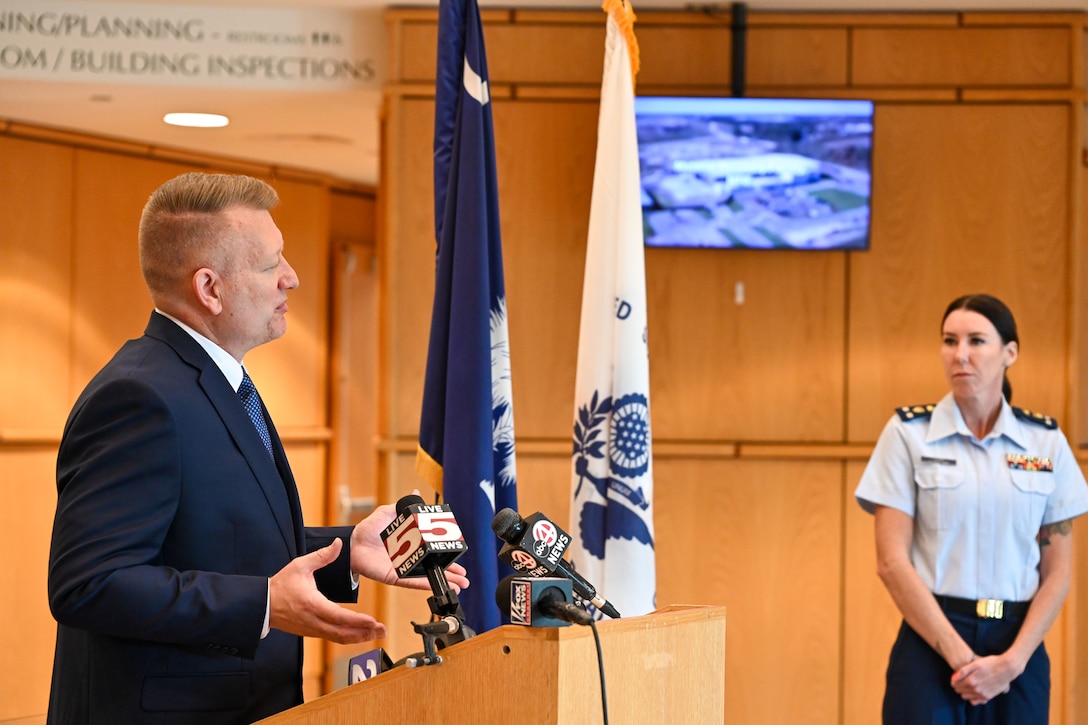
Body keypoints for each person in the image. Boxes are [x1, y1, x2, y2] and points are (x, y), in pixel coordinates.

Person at [46, 171, 468, 724]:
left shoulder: (218, 379)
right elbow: (89, 583)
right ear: (210, 289)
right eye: (271, 265)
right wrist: (265, 605)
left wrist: (347, 552)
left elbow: (216, 545)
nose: (291, 279)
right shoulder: (138, 397)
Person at [855, 293, 1088, 724]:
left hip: (1019, 647)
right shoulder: (908, 434)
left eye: (976, 341)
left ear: (1009, 353)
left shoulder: (1045, 443)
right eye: (949, 341)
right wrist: (962, 659)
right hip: (933, 642)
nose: (959, 354)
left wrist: (1014, 662)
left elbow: (1058, 574)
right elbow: (891, 562)